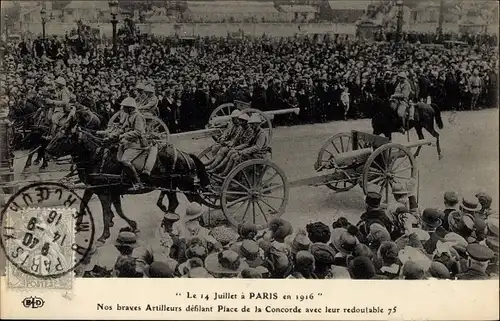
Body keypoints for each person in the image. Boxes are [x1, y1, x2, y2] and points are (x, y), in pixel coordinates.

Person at [116, 97, 148, 191]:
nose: (123, 109)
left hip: (137, 144)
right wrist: (111, 135)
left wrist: (124, 135)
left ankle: (138, 183)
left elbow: (138, 132)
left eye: (125, 107)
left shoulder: (138, 116)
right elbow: (122, 129)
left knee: (125, 161)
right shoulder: (129, 115)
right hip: (128, 143)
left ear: (130, 108)